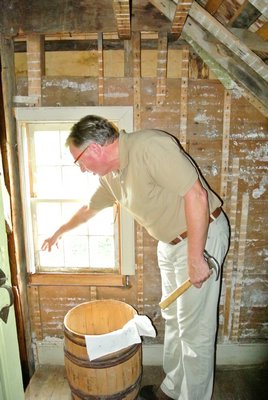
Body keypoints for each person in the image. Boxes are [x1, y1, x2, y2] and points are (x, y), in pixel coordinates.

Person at [42, 115, 230, 400]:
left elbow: (197, 196)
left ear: (94, 149)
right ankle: (174, 388)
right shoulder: (112, 176)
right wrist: (59, 232)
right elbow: (89, 209)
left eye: (79, 161)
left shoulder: (150, 147)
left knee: (196, 331)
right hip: (170, 245)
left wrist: (195, 258)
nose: (82, 169)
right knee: (176, 320)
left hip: (200, 238)